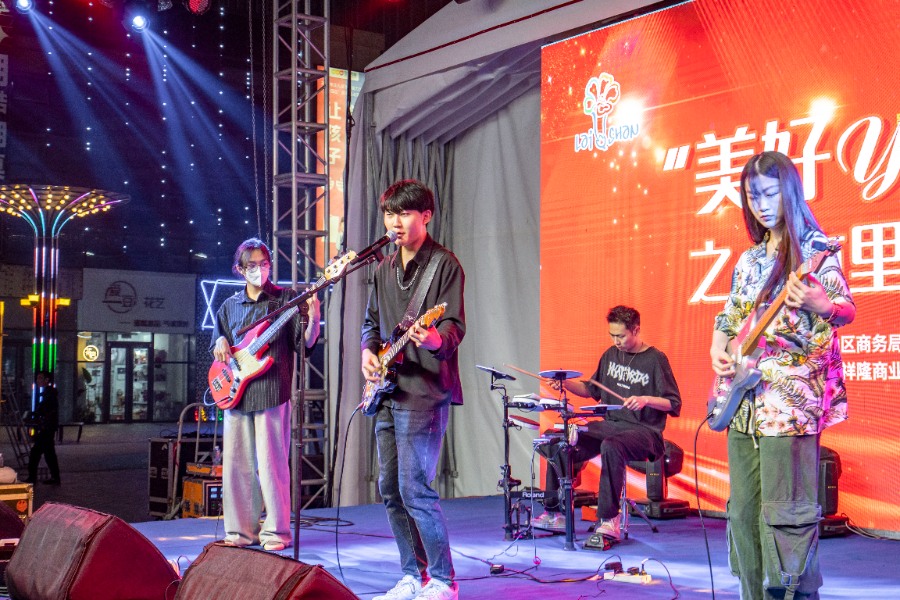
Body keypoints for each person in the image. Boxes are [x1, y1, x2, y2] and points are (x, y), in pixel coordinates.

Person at [710, 151, 855, 600]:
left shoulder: (816, 251)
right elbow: (729, 317)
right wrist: (718, 348)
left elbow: (845, 309)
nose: (761, 205)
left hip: (788, 407)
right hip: (743, 404)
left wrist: (822, 305)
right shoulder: (749, 259)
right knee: (743, 514)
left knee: (786, 517)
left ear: (789, 192)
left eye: (770, 194)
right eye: (752, 197)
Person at [361, 180, 466, 600]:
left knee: (415, 489)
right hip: (388, 389)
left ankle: (443, 580)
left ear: (426, 216)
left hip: (425, 391)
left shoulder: (444, 265)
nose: (395, 222)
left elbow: (453, 325)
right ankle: (412, 575)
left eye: (404, 213)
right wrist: (367, 353)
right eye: (390, 214)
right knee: (390, 489)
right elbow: (371, 323)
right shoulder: (381, 268)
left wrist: (436, 340)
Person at [532, 305, 681, 541]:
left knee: (612, 446)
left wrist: (646, 400)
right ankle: (555, 512)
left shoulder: (656, 359)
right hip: (611, 425)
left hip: (645, 432)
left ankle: (609, 519)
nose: (616, 341)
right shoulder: (610, 355)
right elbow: (590, 390)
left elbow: (673, 403)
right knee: (562, 440)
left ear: (636, 330)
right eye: (612, 335)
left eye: (621, 336)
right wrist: (566, 384)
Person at [211, 237, 320, 551]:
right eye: (252, 265)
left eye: (264, 263)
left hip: (272, 391)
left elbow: (304, 346)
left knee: (272, 466)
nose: (259, 270)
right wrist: (219, 340)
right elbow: (221, 348)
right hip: (235, 394)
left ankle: (276, 532)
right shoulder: (229, 306)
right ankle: (240, 532)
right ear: (239, 269)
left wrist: (314, 319)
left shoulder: (286, 300)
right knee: (236, 467)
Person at [26, 370, 61, 485]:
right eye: (37, 378)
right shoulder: (49, 393)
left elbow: (45, 409)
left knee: (36, 453)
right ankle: (55, 478)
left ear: (47, 380)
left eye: (40, 378)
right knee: (48, 453)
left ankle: (33, 478)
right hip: (48, 428)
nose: (38, 380)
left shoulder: (49, 394)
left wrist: (35, 414)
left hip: (46, 428)